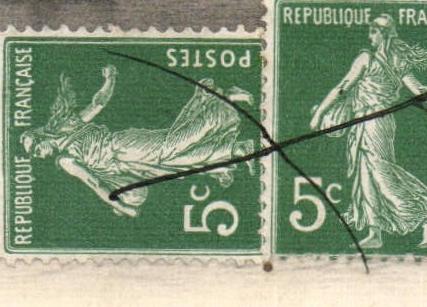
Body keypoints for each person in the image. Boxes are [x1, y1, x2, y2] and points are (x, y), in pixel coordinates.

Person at [21, 66, 254, 218]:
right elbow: (96, 183)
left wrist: (110, 78)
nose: (39, 154)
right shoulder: (64, 160)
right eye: (35, 155)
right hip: (124, 166)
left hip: (121, 145)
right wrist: (122, 205)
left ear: (44, 137)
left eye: (36, 148)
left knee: (172, 146)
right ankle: (235, 150)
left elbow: (98, 104)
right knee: (175, 160)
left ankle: (223, 99)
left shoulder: (68, 129)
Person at [310, 14, 427, 250]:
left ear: (384, 33)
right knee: (366, 175)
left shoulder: (367, 58)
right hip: (371, 122)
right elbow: (418, 90)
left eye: (373, 32)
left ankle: (423, 216)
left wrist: (319, 114)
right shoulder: (397, 60)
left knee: (380, 173)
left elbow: (342, 87)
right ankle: (375, 232)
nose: (370, 36)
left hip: (374, 122)